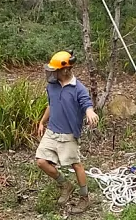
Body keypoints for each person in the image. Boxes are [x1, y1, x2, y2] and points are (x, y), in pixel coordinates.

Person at [35, 51, 99, 211]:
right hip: (52, 131)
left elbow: (86, 104)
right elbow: (51, 105)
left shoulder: (79, 89)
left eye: (54, 70)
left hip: (69, 134)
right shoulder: (52, 86)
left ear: (65, 70)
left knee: (76, 165)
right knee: (41, 161)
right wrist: (42, 122)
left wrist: (90, 112)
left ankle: (84, 198)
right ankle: (65, 185)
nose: (51, 73)